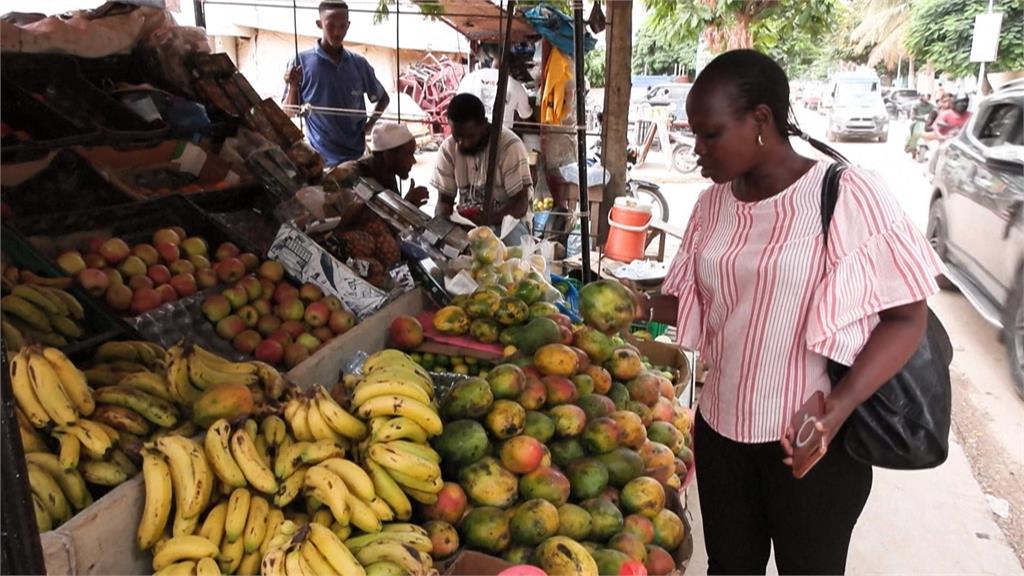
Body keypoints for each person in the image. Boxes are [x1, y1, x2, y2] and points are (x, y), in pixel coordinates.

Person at [633, 49, 943, 575]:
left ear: (760, 121)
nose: (697, 150)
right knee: (730, 568)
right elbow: (702, 300)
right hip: (720, 433)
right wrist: (633, 304)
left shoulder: (845, 194)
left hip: (810, 442)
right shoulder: (713, 205)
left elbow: (906, 317)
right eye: (694, 134)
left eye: (710, 134)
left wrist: (838, 408)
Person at [283, 1, 390, 167]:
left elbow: (383, 98)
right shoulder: (301, 62)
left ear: (348, 26)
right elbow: (288, 113)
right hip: (319, 162)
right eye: (330, 25)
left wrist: (370, 125)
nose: (337, 32)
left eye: (342, 26)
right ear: (319, 24)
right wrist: (293, 87)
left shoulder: (359, 64)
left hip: (357, 158)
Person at [431, 93, 534, 247]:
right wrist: (443, 223)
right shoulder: (448, 149)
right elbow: (444, 201)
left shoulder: (509, 146)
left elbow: (520, 203)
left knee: (505, 253)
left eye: (470, 136)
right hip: (466, 225)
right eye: (457, 136)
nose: (462, 143)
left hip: (507, 225)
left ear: (484, 124)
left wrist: (488, 220)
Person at [328, 122, 429, 206]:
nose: (413, 161)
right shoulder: (350, 174)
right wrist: (407, 204)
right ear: (388, 156)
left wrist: (407, 205)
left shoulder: (387, 173)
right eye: (409, 154)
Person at [457, 58, 534, 129]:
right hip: (501, 134)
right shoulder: (515, 86)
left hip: (470, 131)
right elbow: (526, 116)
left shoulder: (469, 78)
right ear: (511, 69)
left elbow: (457, 104)